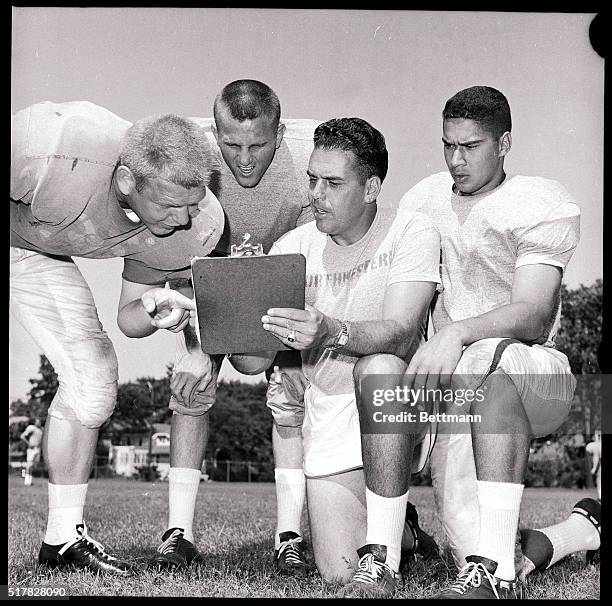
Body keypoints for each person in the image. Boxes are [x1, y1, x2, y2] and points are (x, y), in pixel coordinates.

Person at [399, 85, 600, 599]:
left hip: (533, 373)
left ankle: (498, 575)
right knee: (467, 538)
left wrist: (457, 333)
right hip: (456, 384)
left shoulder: (541, 199)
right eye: (448, 145)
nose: (456, 160)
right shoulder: (423, 200)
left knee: (489, 360)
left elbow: (532, 316)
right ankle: (579, 531)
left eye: (471, 146)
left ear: (505, 142)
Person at [10, 100, 225, 574]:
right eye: (172, 206)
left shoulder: (197, 221)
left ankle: (62, 539)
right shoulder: (47, 149)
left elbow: (130, 318)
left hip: (31, 254)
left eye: (192, 205)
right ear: (128, 181)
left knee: (93, 377)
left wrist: (154, 308)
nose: (185, 220)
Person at [246, 117, 441, 595]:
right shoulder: (292, 247)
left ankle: (385, 557)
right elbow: (250, 364)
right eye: (312, 179)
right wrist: (234, 303)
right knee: (335, 570)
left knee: (380, 367)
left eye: (332, 183)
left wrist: (331, 330)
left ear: (371, 187)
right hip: (330, 410)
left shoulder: (411, 231)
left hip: (397, 402)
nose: (316, 194)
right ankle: (406, 531)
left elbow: (399, 335)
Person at [150, 79, 322, 572]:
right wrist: (193, 338)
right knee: (190, 388)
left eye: (258, 145)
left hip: (277, 287)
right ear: (212, 133)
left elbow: (318, 252)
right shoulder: (191, 158)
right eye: (231, 144)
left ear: (282, 133)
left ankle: (288, 533)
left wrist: (268, 274)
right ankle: (177, 531)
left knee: (290, 394)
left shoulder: (307, 166)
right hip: (207, 291)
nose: (244, 159)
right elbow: (179, 258)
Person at [20, 418, 43, 486]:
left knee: (33, 466)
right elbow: (22, 436)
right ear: (34, 422)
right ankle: (26, 481)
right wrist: (28, 444)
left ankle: (29, 481)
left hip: (38, 449)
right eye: (38, 421)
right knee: (29, 465)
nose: (39, 422)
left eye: (40, 421)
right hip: (31, 449)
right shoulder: (31, 427)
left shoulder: (40, 430)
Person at [586, 431, 602, 500]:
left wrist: (594, 468)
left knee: (599, 480)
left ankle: (600, 497)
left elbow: (596, 456)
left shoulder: (595, 445)